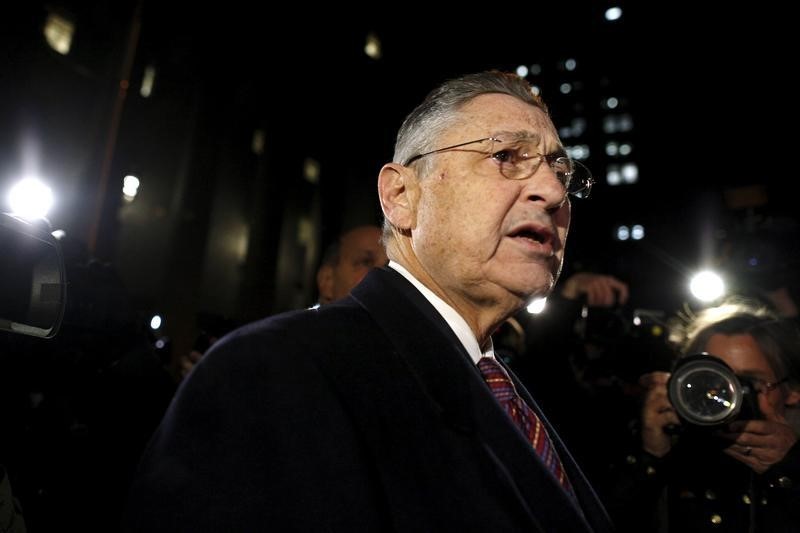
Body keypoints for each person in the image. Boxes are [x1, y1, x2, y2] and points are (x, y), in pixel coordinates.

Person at [123, 70, 612, 532]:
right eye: (506, 156)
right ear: (400, 194)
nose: (551, 191)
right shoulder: (275, 368)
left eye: (560, 170)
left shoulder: (510, 387)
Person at [606, 300, 800, 532]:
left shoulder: (794, 468)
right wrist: (651, 457)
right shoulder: (670, 456)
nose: (730, 397)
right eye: (713, 381)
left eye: (749, 382)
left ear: (793, 391)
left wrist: (790, 470)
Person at [176, 225, 387, 380]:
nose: (383, 274)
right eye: (365, 262)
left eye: (389, 266)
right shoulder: (270, 353)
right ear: (327, 281)